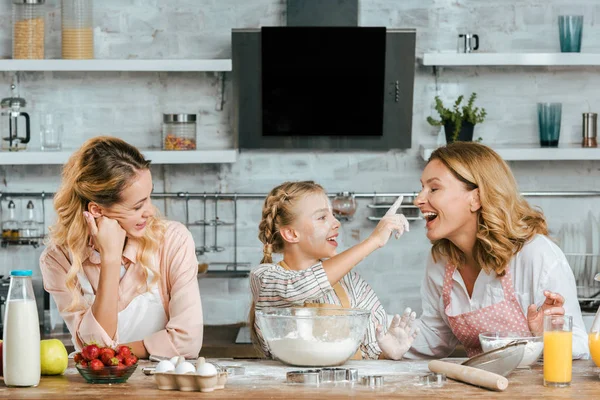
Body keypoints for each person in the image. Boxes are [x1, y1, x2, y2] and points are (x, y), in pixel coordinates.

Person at [407, 142, 588, 359]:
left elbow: (580, 346)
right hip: (480, 391)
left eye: (433, 189)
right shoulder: (441, 260)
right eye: (422, 188)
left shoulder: (535, 254)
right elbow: (437, 336)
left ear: (476, 198)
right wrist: (396, 342)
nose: (418, 199)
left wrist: (546, 336)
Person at [40, 136, 203, 359]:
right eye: (137, 206)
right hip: (94, 390)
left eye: (149, 197)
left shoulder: (173, 241)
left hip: (159, 385)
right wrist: (110, 258)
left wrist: (113, 352)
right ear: (97, 211)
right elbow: (93, 344)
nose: (150, 211)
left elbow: (188, 341)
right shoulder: (58, 259)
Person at [249, 181, 418, 360]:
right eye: (322, 217)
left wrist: (387, 352)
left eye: (333, 215)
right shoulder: (265, 277)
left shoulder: (351, 283)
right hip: (291, 387)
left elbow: (371, 352)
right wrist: (373, 241)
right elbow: (299, 287)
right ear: (291, 234)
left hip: (347, 388)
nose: (336, 223)